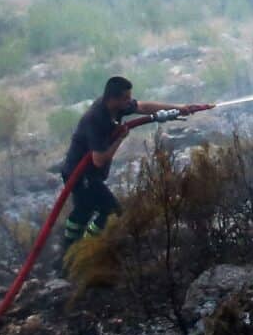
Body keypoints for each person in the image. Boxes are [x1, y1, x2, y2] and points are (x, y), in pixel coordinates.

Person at [56, 75, 208, 248]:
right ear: (113, 99)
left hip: (87, 174)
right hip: (81, 175)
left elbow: (143, 106)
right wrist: (120, 138)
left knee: (84, 210)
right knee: (112, 212)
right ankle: (86, 250)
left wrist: (180, 108)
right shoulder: (96, 119)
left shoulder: (117, 108)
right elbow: (98, 160)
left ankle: (68, 252)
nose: (130, 102)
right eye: (126, 98)